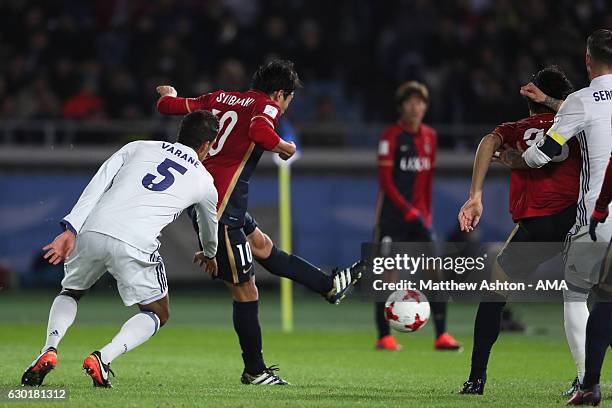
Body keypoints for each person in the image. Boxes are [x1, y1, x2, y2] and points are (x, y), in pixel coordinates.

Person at [156, 59, 362, 385]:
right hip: (218, 207)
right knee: (246, 290)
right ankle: (254, 370)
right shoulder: (265, 105)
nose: (286, 107)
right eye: (288, 101)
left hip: (215, 201)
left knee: (262, 245)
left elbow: (171, 106)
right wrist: (284, 147)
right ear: (280, 93)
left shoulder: (219, 97)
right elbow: (258, 131)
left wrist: (168, 94)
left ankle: (329, 285)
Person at [21, 110, 220, 388]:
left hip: (92, 230)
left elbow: (99, 182)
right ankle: (102, 358)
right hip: (135, 242)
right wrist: (209, 253)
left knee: (71, 292)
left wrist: (71, 228)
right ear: (208, 145)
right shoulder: (205, 182)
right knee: (158, 313)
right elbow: (209, 225)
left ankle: (49, 349)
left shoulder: (139, 146)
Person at [458, 66, 578, 395]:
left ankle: (476, 379)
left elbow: (487, 142)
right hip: (577, 221)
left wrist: (475, 197)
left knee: (494, 295)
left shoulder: (516, 128)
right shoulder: (578, 123)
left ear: (531, 100)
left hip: (536, 227)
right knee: (595, 300)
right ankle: (588, 376)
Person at [511, 29, 612, 404]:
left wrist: (516, 160)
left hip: (597, 216)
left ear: (588, 61)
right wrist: (554, 100)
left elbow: (544, 152)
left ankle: (587, 383)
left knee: (576, 295)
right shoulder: (577, 102)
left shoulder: (581, 101)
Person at [373, 81, 461, 352]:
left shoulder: (430, 137)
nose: (415, 107)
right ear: (401, 107)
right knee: (387, 276)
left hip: (420, 218)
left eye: (420, 102)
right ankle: (384, 337)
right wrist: (408, 210)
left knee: (435, 272)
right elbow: (386, 182)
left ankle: (442, 335)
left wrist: (425, 213)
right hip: (393, 218)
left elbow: (426, 181)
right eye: (410, 102)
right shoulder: (390, 137)